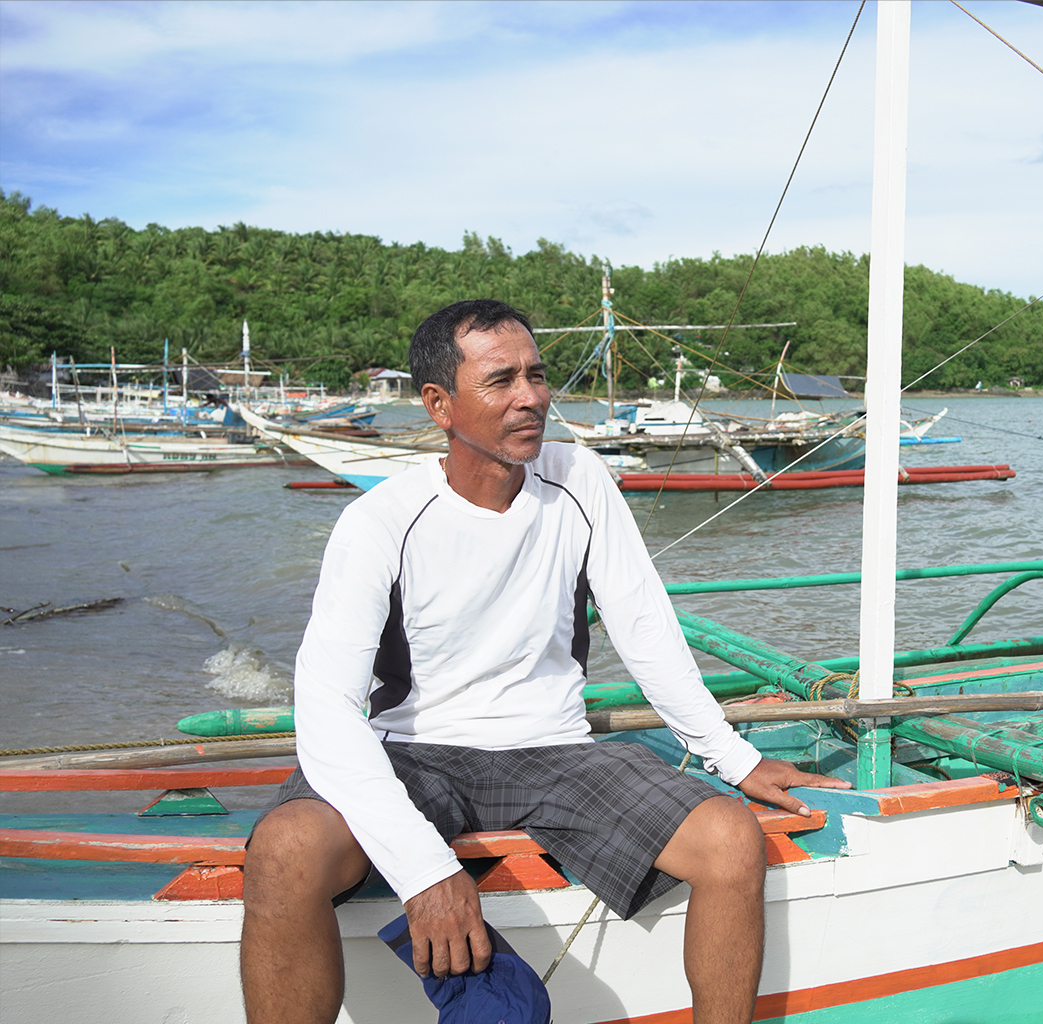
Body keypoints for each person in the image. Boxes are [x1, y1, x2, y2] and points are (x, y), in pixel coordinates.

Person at [239, 299, 849, 1024]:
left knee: (729, 839)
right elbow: (327, 708)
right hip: (413, 752)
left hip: (555, 751)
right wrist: (427, 872)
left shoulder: (580, 480)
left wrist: (734, 759)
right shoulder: (380, 522)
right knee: (283, 851)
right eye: (501, 380)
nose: (530, 397)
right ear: (440, 403)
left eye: (537, 374)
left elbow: (644, 626)